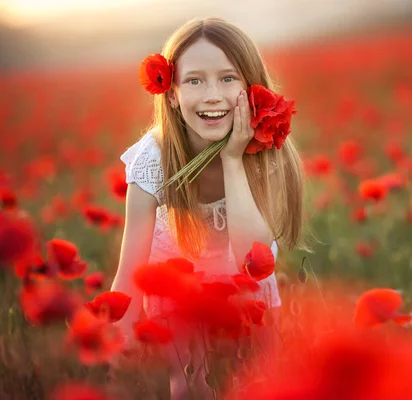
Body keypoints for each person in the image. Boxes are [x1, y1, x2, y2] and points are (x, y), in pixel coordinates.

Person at [109, 17, 306, 399]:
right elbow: (130, 273)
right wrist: (118, 353)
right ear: (170, 92)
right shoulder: (153, 159)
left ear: (252, 87)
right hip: (179, 284)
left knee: (264, 380)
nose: (212, 94)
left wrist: (233, 159)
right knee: (190, 386)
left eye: (228, 78)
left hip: (247, 284)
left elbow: (253, 258)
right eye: (195, 80)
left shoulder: (263, 149)